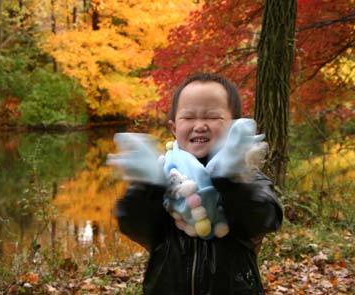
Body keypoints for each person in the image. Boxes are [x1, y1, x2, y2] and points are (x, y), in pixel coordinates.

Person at [109, 73, 283, 295]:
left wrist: (230, 179)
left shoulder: (246, 176)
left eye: (212, 117)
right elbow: (135, 225)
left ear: (233, 126)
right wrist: (147, 185)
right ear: (173, 127)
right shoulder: (164, 177)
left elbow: (266, 218)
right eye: (188, 118)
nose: (199, 126)